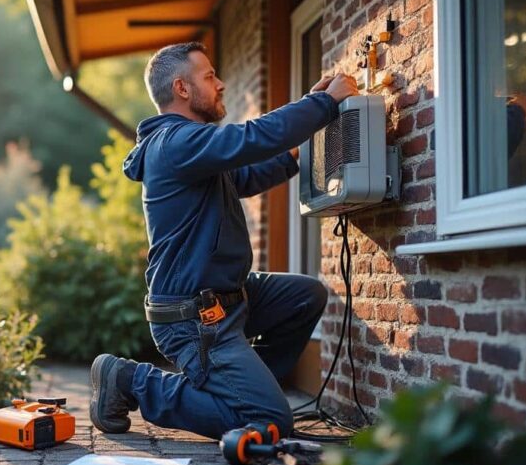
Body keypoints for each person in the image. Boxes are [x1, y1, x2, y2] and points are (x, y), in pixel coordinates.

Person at [90, 41, 359, 440]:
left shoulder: (191, 148)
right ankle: (131, 381)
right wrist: (321, 105)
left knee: (305, 296)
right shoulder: (175, 143)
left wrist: (293, 152)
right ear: (182, 88)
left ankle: (247, 388)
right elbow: (251, 137)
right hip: (194, 318)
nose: (221, 84)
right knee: (272, 422)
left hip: (230, 300)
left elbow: (246, 177)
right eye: (210, 76)